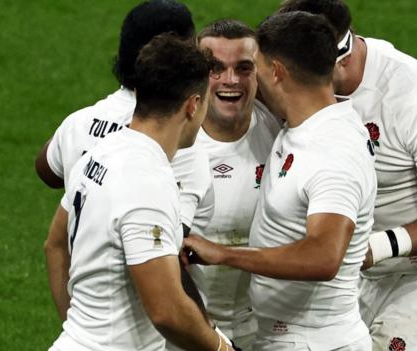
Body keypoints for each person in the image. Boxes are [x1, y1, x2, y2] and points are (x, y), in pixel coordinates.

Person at [277, 1, 417, 350]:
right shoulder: (292, 79)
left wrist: (375, 246)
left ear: (339, 58)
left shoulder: (414, 95)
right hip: (347, 276)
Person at [183, 12, 377, 351]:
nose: (241, 79)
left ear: (275, 73)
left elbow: (323, 256)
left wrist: (224, 254)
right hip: (285, 337)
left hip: (317, 342)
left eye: (251, 68)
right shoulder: (300, 126)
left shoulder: (333, 151)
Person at [48, 34, 234, 351]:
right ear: (193, 105)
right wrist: (220, 347)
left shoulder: (98, 153)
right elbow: (167, 311)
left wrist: (79, 333)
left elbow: (54, 244)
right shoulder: (146, 180)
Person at [38, 0, 211, 323]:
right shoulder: (183, 147)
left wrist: (70, 323)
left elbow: (45, 170)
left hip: (88, 319)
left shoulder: (80, 123)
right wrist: (215, 338)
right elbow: (168, 256)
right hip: (159, 328)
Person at [184, 19, 282, 351]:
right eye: (216, 68)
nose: (230, 80)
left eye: (243, 68)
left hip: (264, 329)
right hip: (188, 331)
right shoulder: (174, 144)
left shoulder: (282, 132)